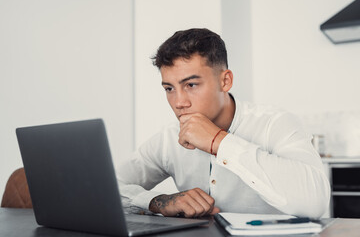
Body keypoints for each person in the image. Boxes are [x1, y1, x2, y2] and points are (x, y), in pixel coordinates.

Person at [116, 28, 330, 219]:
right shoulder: (168, 138)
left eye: (191, 84)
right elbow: (107, 188)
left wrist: (219, 142)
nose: (179, 102)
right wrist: (158, 202)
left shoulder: (274, 123)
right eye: (169, 89)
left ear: (225, 81)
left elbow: (315, 203)